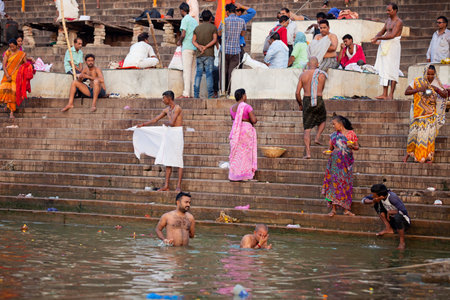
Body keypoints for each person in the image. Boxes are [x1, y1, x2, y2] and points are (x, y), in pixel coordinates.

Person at [133, 91, 184, 191]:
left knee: (178, 160)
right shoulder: (166, 110)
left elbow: (172, 122)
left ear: (169, 98)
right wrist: (142, 125)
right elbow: (155, 119)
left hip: (177, 134)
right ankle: (166, 185)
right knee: (168, 160)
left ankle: (178, 186)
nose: (162, 100)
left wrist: (166, 123)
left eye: (164, 98)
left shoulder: (177, 108)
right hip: (169, 135)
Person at [403, 65, 448, 163]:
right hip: (417, 113)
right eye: (428, 74)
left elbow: (445, 95)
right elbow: (406, 92)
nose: (430, 76)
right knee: (413, 134)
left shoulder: (437, 82)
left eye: (432, 74)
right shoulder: (417, 81)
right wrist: (419, 89)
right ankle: (408, 154)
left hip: (430, 114)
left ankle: (428, 157)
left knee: (429, 136)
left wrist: (436, 89)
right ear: (424, 73)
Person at [322, 115, 359, 217]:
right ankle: (333, 209)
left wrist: (352, 146)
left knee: (345, 185)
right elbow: (331, 148)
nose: (333, 126)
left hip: (346, 164)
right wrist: (327, 152)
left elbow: (357, 147)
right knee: (333, 185)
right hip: (334, 164)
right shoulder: (333, 135)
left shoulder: (351, 134)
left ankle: (346, 209)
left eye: (334, 124)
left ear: (340, 123)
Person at [295, 57, 328, 159]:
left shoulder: (303, 75)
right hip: (318, 99)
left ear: (308, 64)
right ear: (318, 64)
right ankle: (317, 137)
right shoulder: (321, 75)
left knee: (307, 129)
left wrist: (300, 104)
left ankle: (308, 153)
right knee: (323, 119)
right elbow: (321, 89)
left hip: (306, 100)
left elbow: (297, 93)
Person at [362, 184, 410, 250]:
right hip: (392, 220)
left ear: (380, 195)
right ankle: (388, 228)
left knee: (397, 216)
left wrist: (390, 212)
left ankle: (402, 243)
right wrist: (373, 201)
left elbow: (404, 211)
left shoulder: (392, 197)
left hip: (404, 223)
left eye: (374, 194)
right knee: (376, 204)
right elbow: (363, 200)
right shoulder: (379, 196)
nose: (373, 195)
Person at [372, 3, 403, 100]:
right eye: (387, 10)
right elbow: (382, 31)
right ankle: (384, 93)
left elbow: (392, 35)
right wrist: (376, 37)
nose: (387, 12)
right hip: (385, 45)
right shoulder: (388, 21)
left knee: (392, 69)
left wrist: (379, 38)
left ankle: (391, 94)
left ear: (395, 10)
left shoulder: (399, 22)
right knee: (384, 69)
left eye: (389, 10)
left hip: (393, 46)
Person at [229, 88, 257, 181]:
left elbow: (233, 120)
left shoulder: (232, 108)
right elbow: (254, 120)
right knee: (246, 154)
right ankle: (245, 175)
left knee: (237, 154)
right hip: (246, 131)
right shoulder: (246, 107)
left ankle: (235, 175)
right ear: (243, 96)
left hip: (236, 132)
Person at [218, 4, 246, 94]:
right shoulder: (242, 21)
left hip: (225, 50)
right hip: (236, 50)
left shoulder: (224, 21)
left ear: (227, 12)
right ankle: (230, 91)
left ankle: (223, 91)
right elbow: (242, 34)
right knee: (232, 73)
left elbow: (219, 33)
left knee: (223, 72)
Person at [192, 9, 217, 98]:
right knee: (209, 75)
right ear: (210, 18)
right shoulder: (213, 27)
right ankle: (210, 95)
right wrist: (206, 47)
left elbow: (193, 41)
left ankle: (196, 95)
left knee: (198, 74)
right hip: (209, 54)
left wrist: (199, 47)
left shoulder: (197, 28)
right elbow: (214, 40)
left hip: (199, 54)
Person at [0, 38, 26, 119]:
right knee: (3, 89)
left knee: (13, 93)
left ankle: (11, 112)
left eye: (13, 47)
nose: (12, 48)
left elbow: (25, 64)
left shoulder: (21, 54)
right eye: (10, 47)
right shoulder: (7, 53)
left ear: (16, 46)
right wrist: (7, 75)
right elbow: (4, 65)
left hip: (16, 77)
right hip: (7, 76)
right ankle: (6, 105)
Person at [178, 2, 199, 98]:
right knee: (193, 72)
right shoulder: (194, 21)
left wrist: (179, 42)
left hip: (187, 47)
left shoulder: (185, 19)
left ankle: (186, 93)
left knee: (186, 72)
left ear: (182, 11)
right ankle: (194, 94)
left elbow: (183, 34)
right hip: (195, 48)